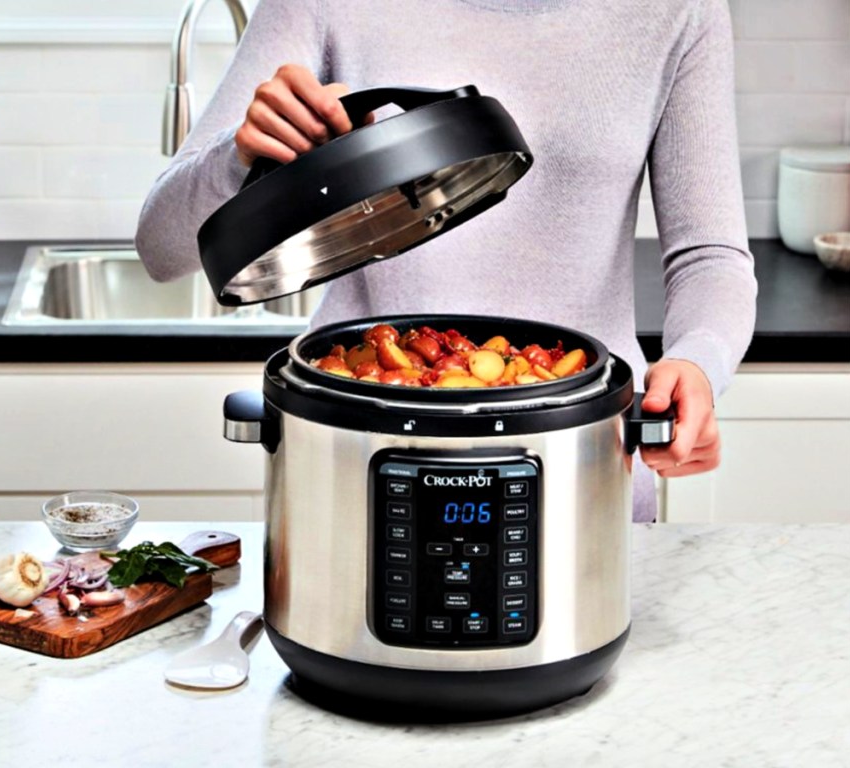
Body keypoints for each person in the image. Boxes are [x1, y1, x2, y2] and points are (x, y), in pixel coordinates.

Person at [136, 0, 757, 522]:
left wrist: (698, 361)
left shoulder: (679, 10)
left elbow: (710, 256)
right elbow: (161, 249)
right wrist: (238, 156)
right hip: (358, 454)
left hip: (583, 460)